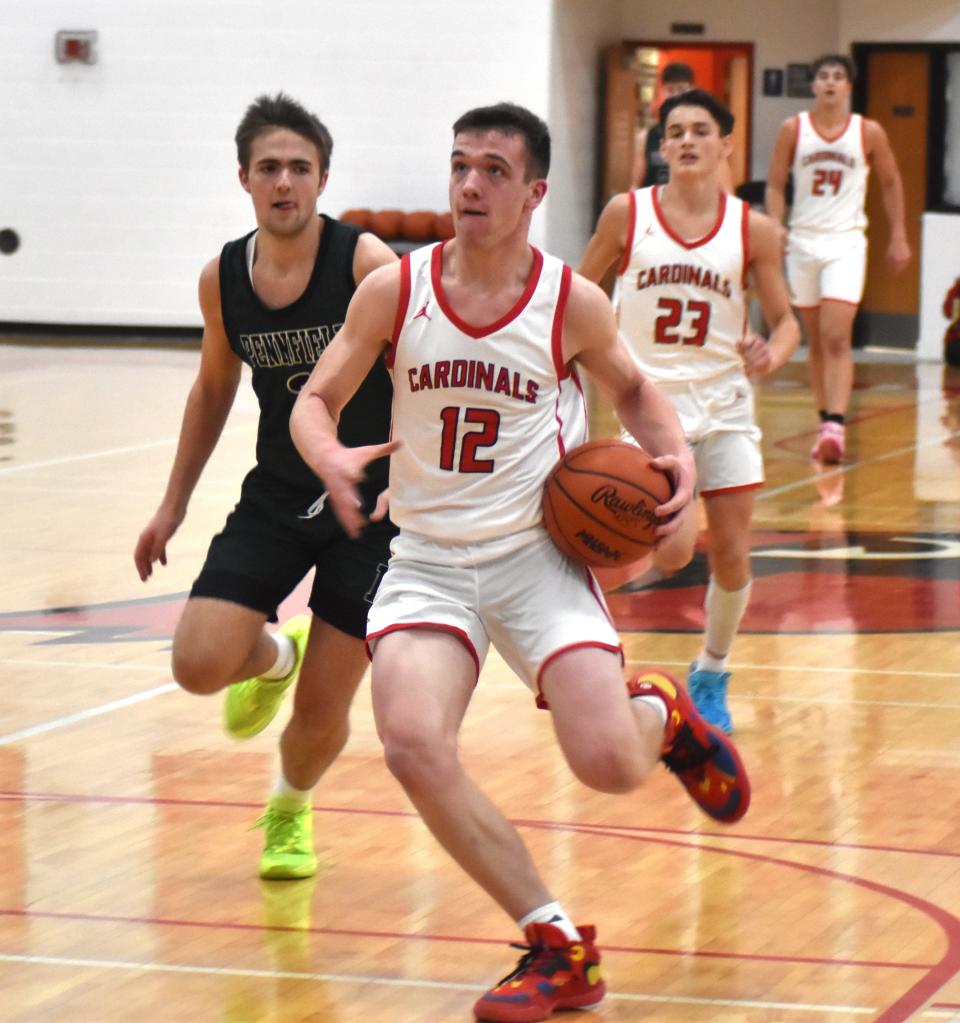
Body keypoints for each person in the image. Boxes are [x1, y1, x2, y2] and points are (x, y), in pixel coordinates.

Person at [290, 101, 751, 1023]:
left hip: (537, 557)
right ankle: (555, 941)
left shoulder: (568, 299)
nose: (470, 184)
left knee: (608, 767)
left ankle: (656, 719)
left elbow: (638, 394)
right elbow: (317, 395)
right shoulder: (397, 288)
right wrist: (329, 451)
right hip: (424, 556)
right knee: (414, 745)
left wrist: (681, 473)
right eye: (460, 165)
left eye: (495, 170)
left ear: (535, 191)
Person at [133, 93, 398, 881]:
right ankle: (277, 655)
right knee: (198, 662)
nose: (285, 182)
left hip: (376, 506)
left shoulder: (365, 263)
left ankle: (287, 809)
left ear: (323, 178)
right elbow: (213, 389)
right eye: (269, 168)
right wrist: (172, 503)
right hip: (282, 490)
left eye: (300, 168)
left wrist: (422, 480)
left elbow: (423, 378)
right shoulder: (223, 276)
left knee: (322, 714)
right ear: (244, 178)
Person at [578, 89, 800, 734]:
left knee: (731, 551)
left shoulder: (751, 228)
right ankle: (591, 654)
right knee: (669, 554)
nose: (686, 141)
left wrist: (772, 351)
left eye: (700, 130)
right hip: (649, 406)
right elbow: (580, 291)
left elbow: (787, 323)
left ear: (725, 144)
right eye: (674, 131)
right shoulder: (628, 214)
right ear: (662, 145)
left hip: (726, 405)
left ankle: (711, 671)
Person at [765, 53, 911, 463]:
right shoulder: (792, 129)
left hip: (846, 242)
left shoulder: (868, 132)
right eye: (823, 76)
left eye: (838, 77)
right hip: (803, 242)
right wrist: (776, 225)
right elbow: (775, 185)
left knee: (835, 336)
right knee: (815, 341)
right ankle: (824, 420)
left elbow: (891, 181)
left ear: (849, 86)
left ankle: (836, 423)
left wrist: (898, 235)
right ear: (814, 85)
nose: (830, 83)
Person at [632, 62, 734, 194]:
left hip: (697, 206)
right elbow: (635, 185)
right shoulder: (646, 137)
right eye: (670, 90)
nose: (675, 95)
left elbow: (727, 192)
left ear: (691, 90)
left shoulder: (710, 139)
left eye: (681, 89)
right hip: (656, 206)